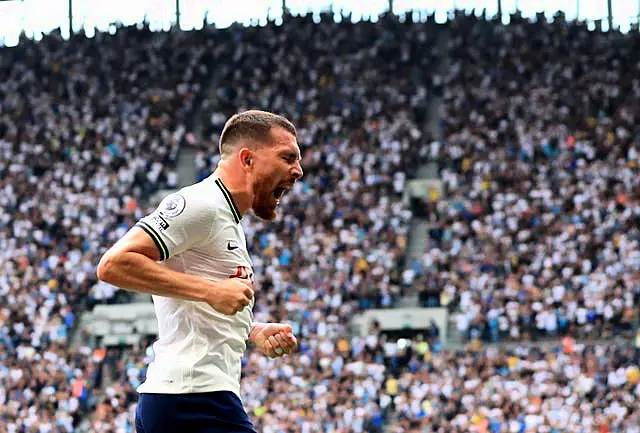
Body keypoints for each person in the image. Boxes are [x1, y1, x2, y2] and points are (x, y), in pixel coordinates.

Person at [97, 110, 304, 433]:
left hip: (188, 399)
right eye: (287, 157)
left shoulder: (227, 218)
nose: (298, 171)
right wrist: (210, 291)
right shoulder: (200, 205)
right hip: (191, 400)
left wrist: (251, 329)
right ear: (247, 159)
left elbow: (197, 309)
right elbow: (114, 264)